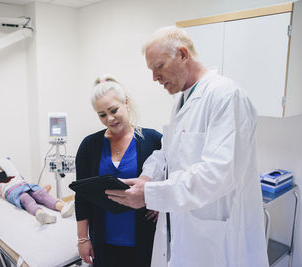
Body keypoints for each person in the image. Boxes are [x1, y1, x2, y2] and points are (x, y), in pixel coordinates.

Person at [106, 26, 269, 267]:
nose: (154, 78)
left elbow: (219, 174)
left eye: (158, 66)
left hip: (221, 237)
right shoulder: (182, 101)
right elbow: (167, 152)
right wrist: (147, 177)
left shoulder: (226, 96)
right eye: (151, 70)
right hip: (188, 233)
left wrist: (150, 195)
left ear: (183, 54)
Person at [74, 75, 162, 267]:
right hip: (103, 242)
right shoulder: (89, 146)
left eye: (114, 110)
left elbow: (173, 177)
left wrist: (160, 203)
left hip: (145, 239)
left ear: (126, 103)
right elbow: (82, 197)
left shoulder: (153, 140)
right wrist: (83, 239)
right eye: (102, 114)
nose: (110, 119)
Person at [0, 164, 75, 225]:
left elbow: (27, 186)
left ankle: (63, 207)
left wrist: (40, 189)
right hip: (13, 192)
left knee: (41, 194)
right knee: (26, 199)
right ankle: (40, 214)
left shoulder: (14, 177)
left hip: (26, 186)